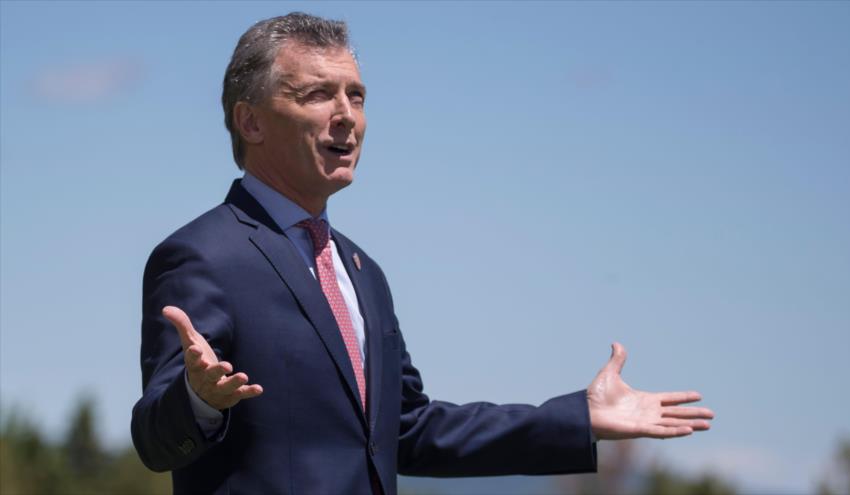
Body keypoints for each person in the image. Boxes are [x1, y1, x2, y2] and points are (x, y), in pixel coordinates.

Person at [131, 12, 714, 494]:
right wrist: (198, 401)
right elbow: (155, 439)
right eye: (318, 94)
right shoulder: (202, 255)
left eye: (356, 96)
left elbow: (409, 430)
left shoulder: (362, 272)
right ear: (251, 122)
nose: (347, 115)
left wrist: (578, 418)